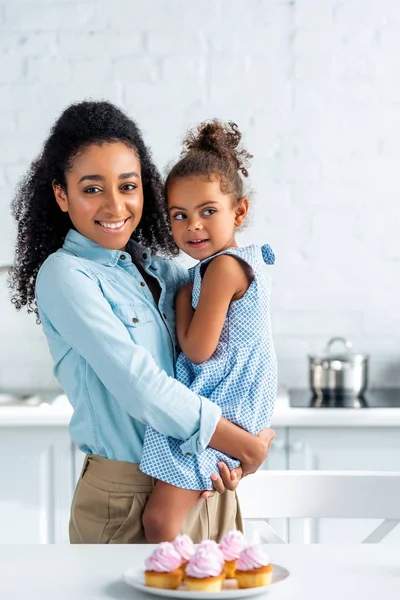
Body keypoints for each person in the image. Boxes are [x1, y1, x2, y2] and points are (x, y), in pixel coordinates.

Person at [9, 101, 275, 544]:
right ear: (62, 194)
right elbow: (140, 385)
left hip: (199, 479)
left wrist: (226, 450)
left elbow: (237, 346)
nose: (116, 205)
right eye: (92, 189)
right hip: (128, 495)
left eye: (128, 186)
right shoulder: (65, 275)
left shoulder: (156, 270)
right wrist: (240, 442)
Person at [140, 120, 277, 542]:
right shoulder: (224, 264)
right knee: (174, 515)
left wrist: (182, 300)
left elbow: (198, 349)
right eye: (179, 215)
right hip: (230, 401)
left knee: (159, 521)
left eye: (207, 212)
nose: (192, 226)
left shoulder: (222, 267)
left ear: (239, 211)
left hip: (226, 404)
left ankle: (170, 581)